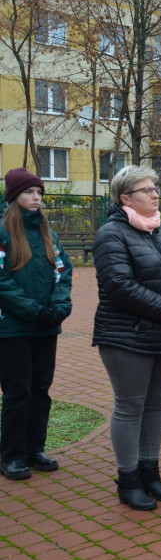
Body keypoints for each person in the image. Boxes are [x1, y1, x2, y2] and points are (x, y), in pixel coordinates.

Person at [93, 166, 161, 510]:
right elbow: (120, 286)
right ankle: (128, 480)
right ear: (125, 198)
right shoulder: (112, 235)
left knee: (154, 407)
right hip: (126, 337)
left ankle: (150, 473)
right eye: (146, 190)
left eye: (156, 188)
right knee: (130, 407)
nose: (155, 194)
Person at [0, 168, 72, 481]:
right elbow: (2, 282)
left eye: (39, 193)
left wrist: (58, 307)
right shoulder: (3, 233)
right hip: (13, 329)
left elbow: (63, 271)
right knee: (18, 393)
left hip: (45, 326)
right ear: (14, 196)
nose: (36, 198)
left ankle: (34, 449)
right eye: (30, 193)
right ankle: (12, 456)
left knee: (40, 390)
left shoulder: (48, 233)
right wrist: (32, 310)